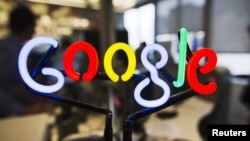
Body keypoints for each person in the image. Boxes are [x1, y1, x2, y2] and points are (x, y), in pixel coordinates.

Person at [0, 5, 43, 118]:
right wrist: (22, 110)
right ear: (28, 27)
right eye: (34, 26)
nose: (34, 30)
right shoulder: (10, 50)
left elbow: (9, 83)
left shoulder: (13, 47)